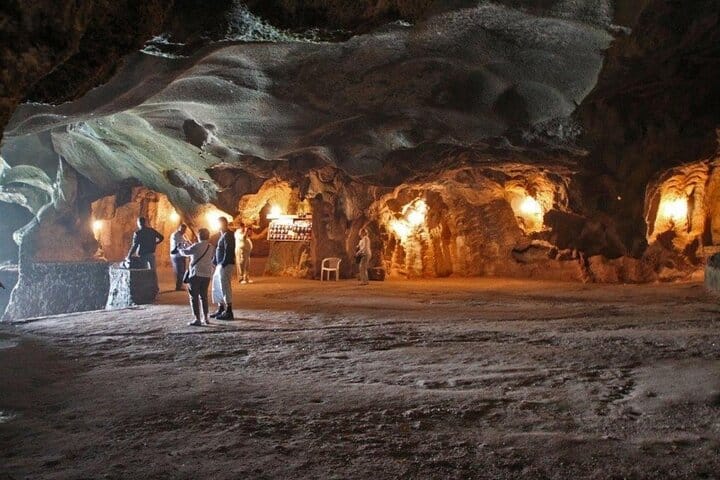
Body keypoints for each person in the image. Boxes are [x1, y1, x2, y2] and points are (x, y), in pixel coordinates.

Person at [179, 228, 214, 326]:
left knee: (194, 297)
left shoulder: (196, 246)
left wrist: (180, 248)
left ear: (199, 236)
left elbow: (185, 253)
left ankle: (197, 319)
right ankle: (206, 318)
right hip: (206, 274)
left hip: (196, 274)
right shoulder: (211, 247)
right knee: (204, 296)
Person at [210, 217, 236, 320]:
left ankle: (229, 311)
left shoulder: (228, 235)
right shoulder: (222, 235)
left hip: (225, 265)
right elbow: (219, 249)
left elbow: (228, 250)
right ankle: (221, 308)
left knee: (225, 286)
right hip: (220, 264)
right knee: (217, 286)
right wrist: (215, 261)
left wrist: (223, 263)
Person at [170, 223, 189, 291]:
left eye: (184, 230)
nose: (183, 231)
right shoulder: (176, 235)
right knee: (179, 271)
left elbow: (185, 244)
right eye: (182, 229)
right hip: (177, 256)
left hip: (181, 255)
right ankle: (178, 286)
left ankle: (180, 285)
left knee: (182, 271)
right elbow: (180, 245)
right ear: (179, 228)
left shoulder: (183, 235)